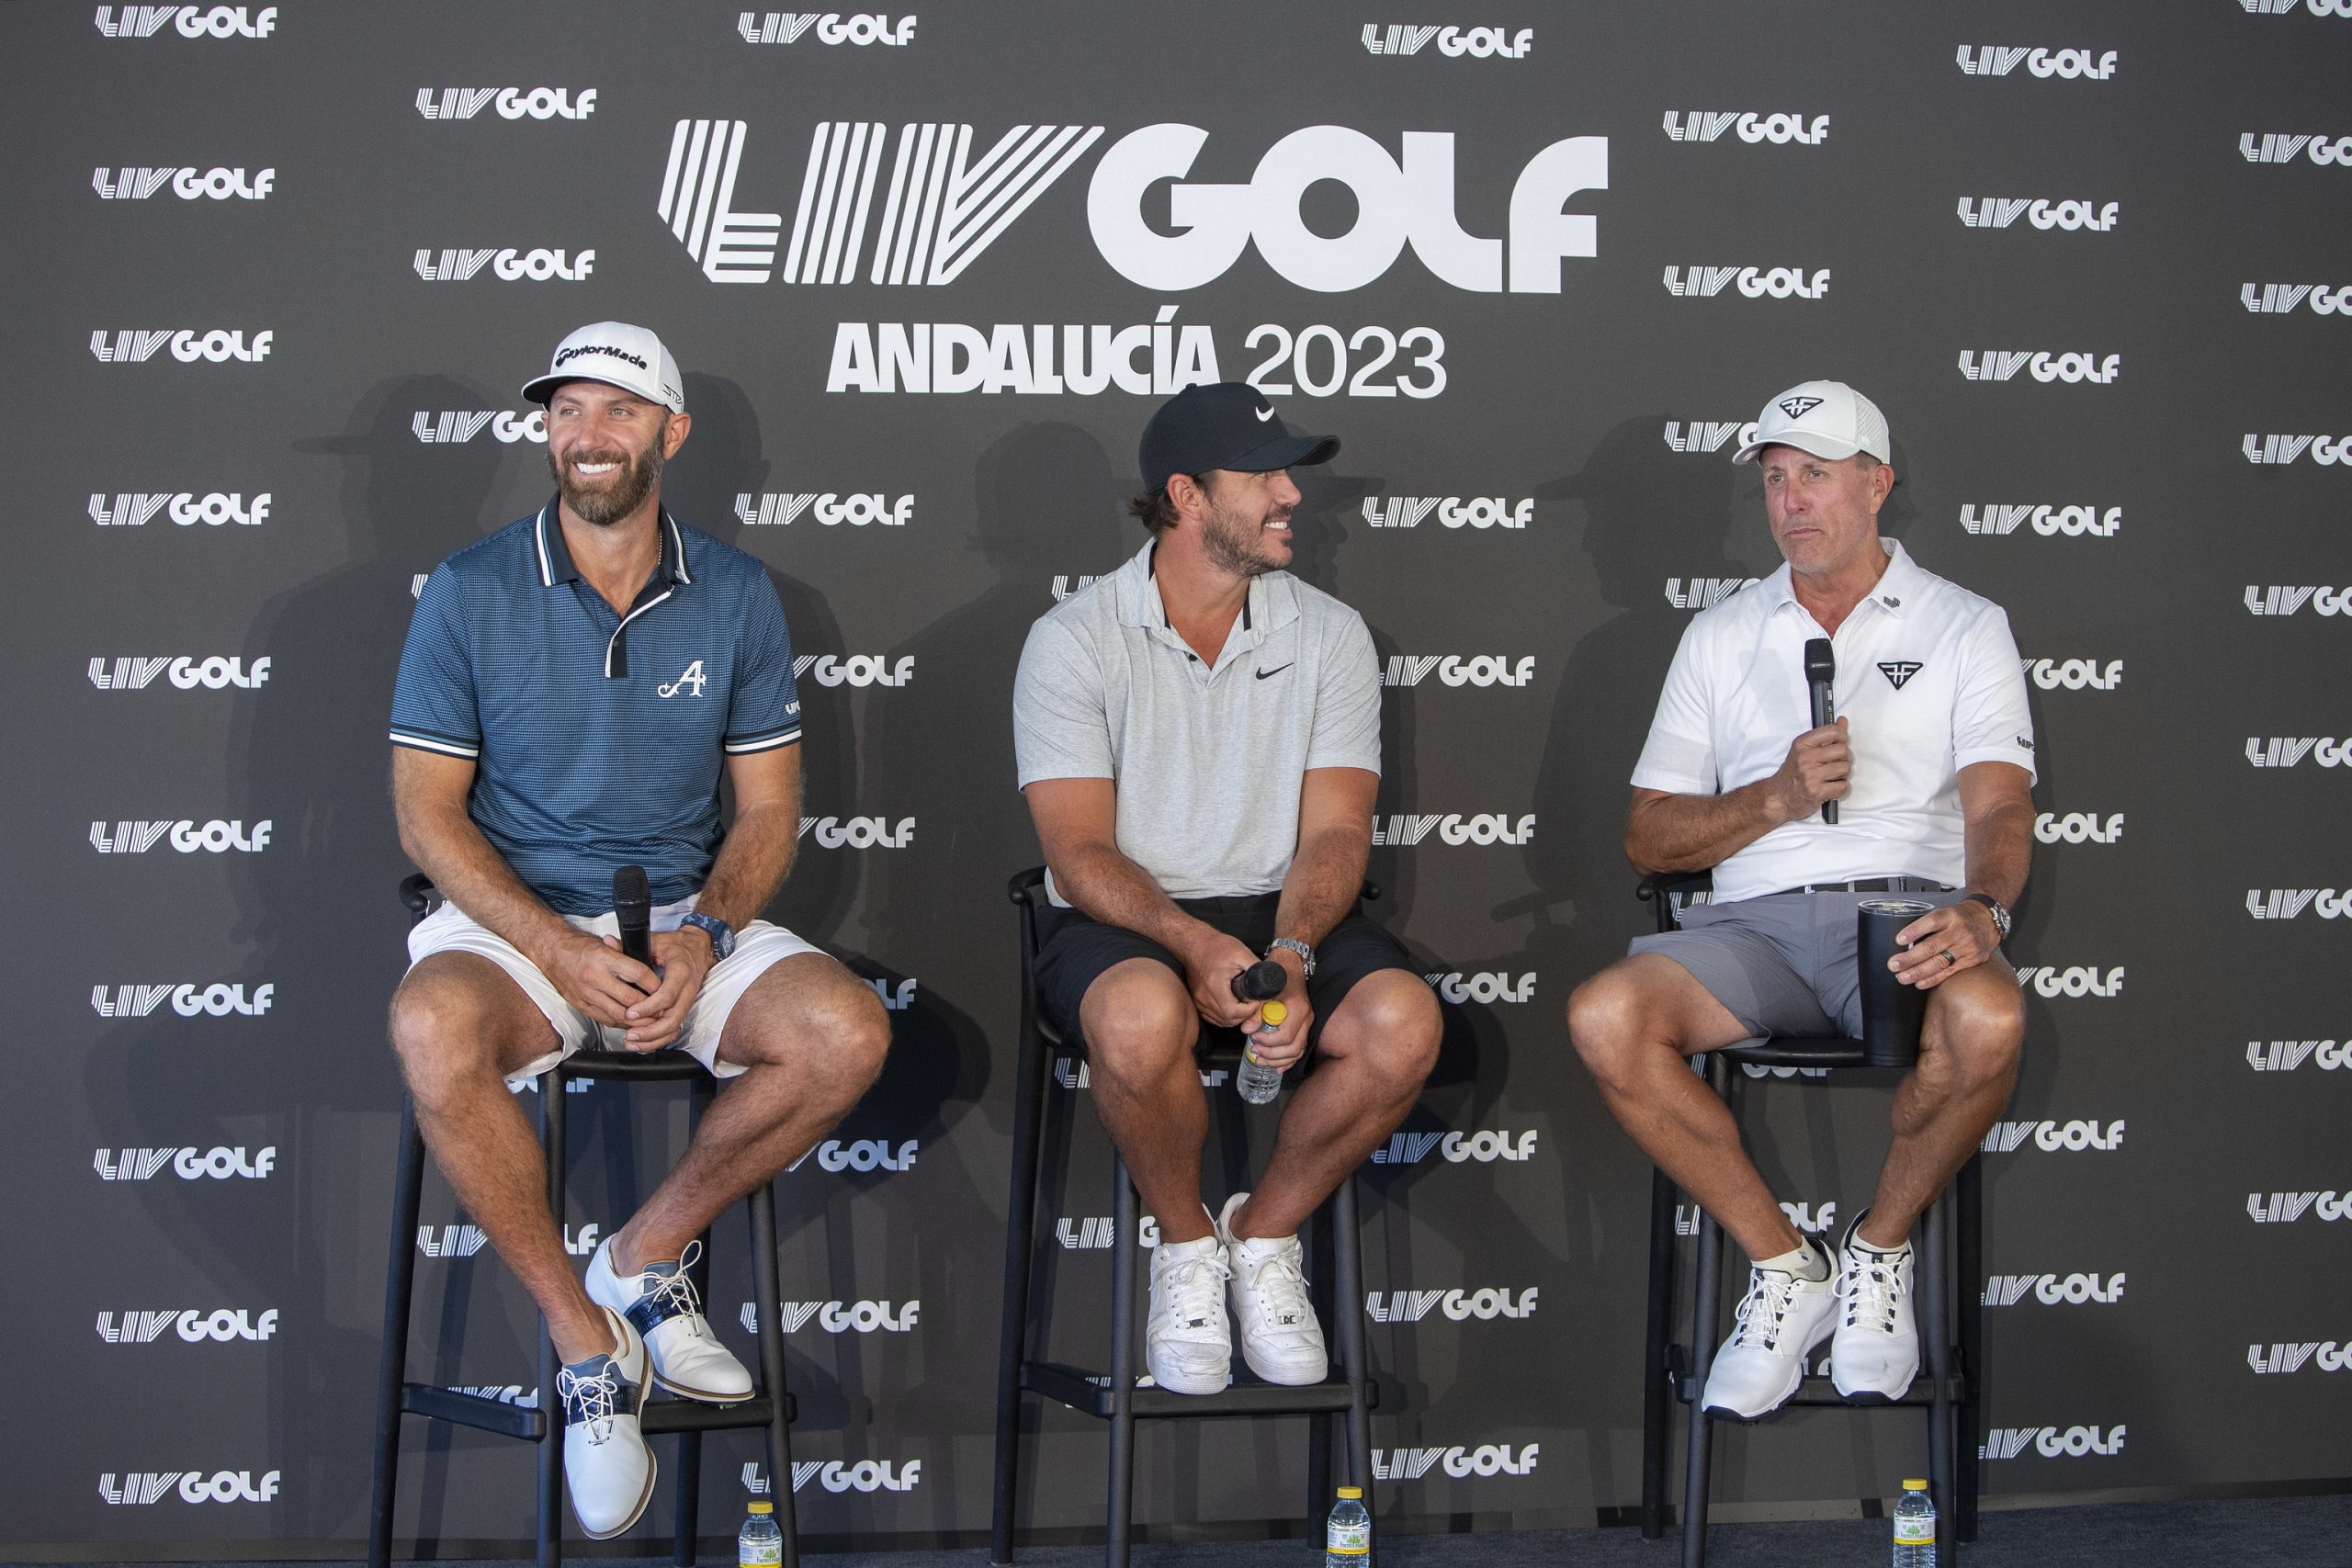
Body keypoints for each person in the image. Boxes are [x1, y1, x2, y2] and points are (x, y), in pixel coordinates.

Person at [386, 322, 890, 1536]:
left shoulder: (735, 590)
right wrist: (556, 950)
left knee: (845, 1031)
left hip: (679, 917)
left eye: (616, 411)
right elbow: (425, 815)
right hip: (517, 923)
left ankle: (642, 1254)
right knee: (430, 1027)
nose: (587, 435)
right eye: (566, 410)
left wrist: (706, 934)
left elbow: (769, 808)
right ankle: (586, 1341)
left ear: (670, 433)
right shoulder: (470, 587)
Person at [1567, 381, 2033, 1421]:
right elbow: (1647, 832)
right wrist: (1774, 798)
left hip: (1907, 919)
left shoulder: (1964, 624)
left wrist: (1983, 912)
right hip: (1756, 928)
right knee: (1606, 1014)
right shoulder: (1721, 634)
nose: (1792, 504)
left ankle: (1877, 1250)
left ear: (1876, 484)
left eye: (1815, 477)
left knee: (1991, 1020)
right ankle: (1787, 1268)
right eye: (1776, 482)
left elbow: (1999, 806)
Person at [1012, 382, 1442, 1394]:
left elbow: (1336, 831)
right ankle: (1186, 1251)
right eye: (1262, 477)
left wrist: (1288, 955)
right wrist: (1197, 947)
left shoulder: (1329, 633)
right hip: (1124, 915)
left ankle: (1266, 1237)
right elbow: (1078, 854)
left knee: (1402, 1025)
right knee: (1134, 1017)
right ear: (1187, 497)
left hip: (1282, 908)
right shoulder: (1073, 637)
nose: (1291, 495)